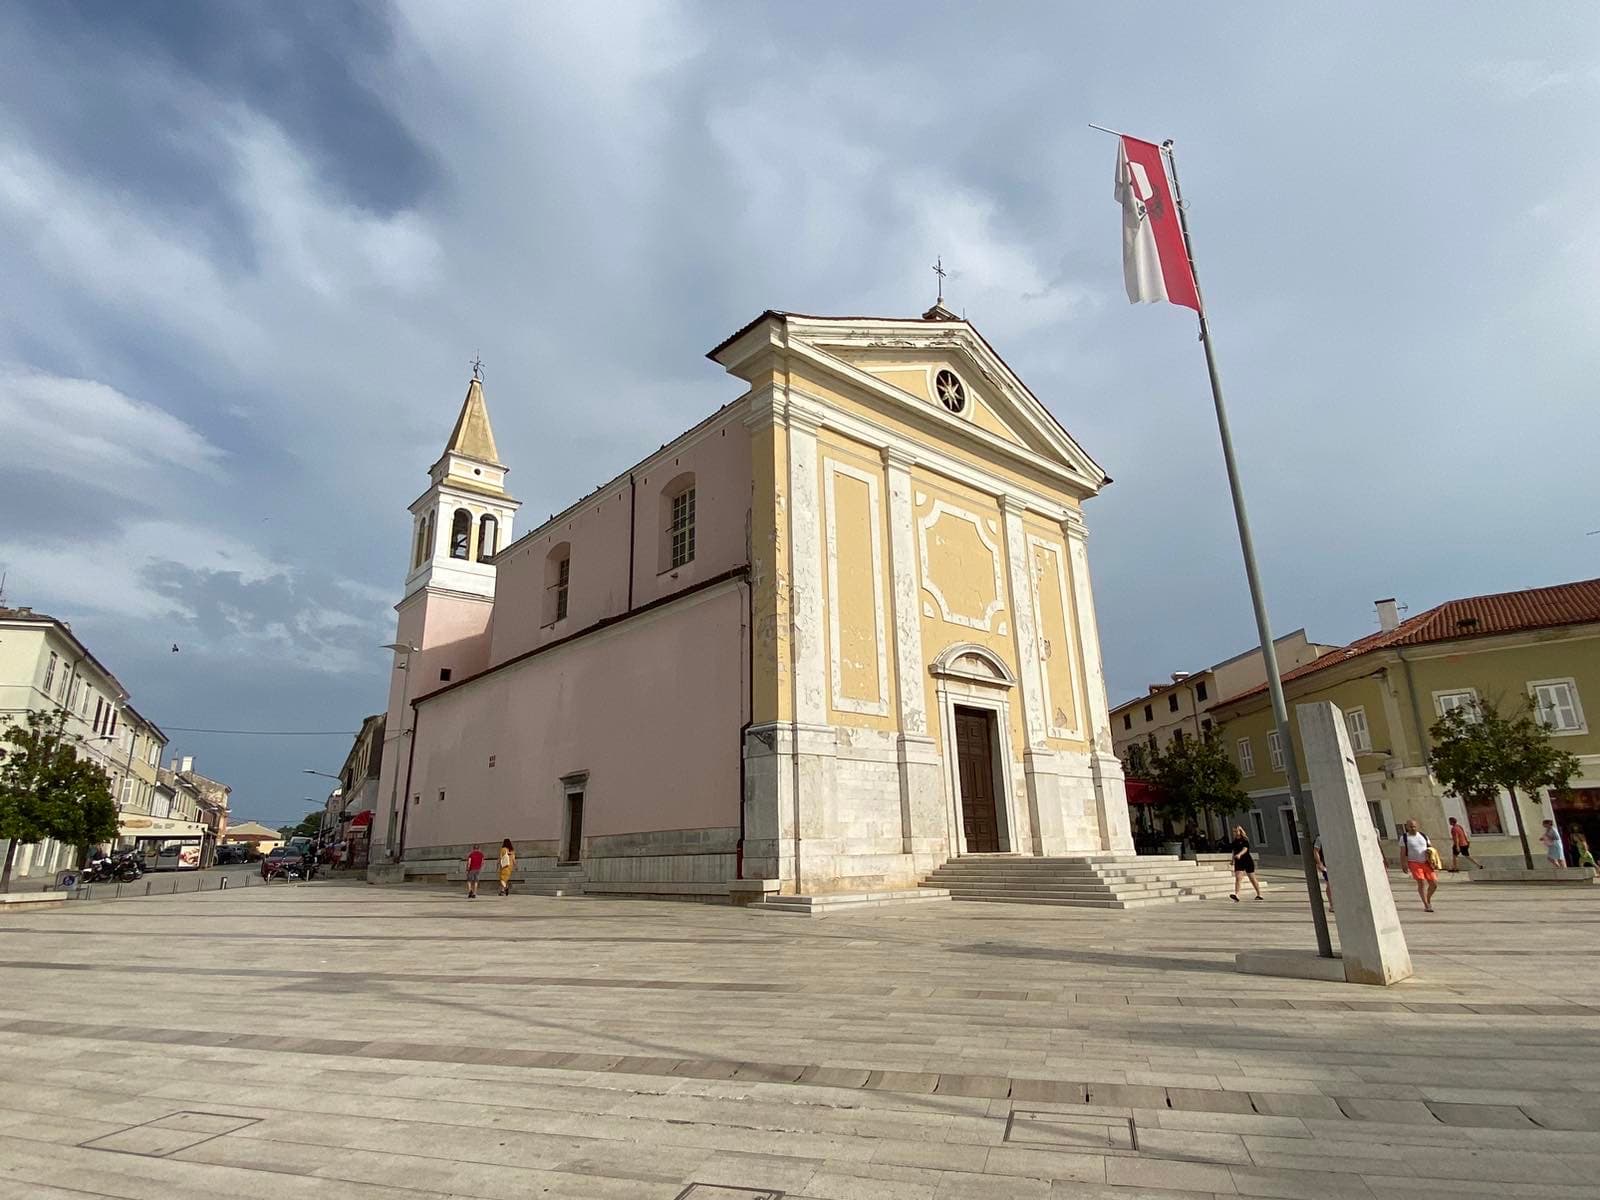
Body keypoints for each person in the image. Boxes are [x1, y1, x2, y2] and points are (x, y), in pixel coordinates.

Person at [1398, 819, 1437, 912]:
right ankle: (1426, 904)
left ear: (1417, 826)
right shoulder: (1404, 838)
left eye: (1414, 826)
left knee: (1434, 884)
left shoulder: (1423, 836)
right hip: (1414, 862)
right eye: (1411, 826)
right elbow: (1402, 853)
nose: (1413, 828)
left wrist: (1433, 860)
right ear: (1407, 827)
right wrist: (1404, 864)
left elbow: (1430, 849)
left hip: (1426, 862)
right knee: (1421, 881)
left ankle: (1428, 899)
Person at [1228, 824, 1263, 901]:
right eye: (1233, 831)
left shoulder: (1244, 840)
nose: (1235, 832)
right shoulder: (1234, 842)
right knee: (1238, 878)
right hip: (1238, 861)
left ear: (1240, 831)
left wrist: (1239, 854)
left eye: (1236, 831)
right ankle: (1236, 895)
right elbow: (1234, 851)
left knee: (1252, 878)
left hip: (1247, 860)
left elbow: (1245, 849)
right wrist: (1233, 860)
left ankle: (1259, 894)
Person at [1313, 836, 1333, 911]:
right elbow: (1316, 851)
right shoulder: (1320, 838)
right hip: (1326, 865)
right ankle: (1332, 904)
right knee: (1329, 884)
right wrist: (1319, 863)